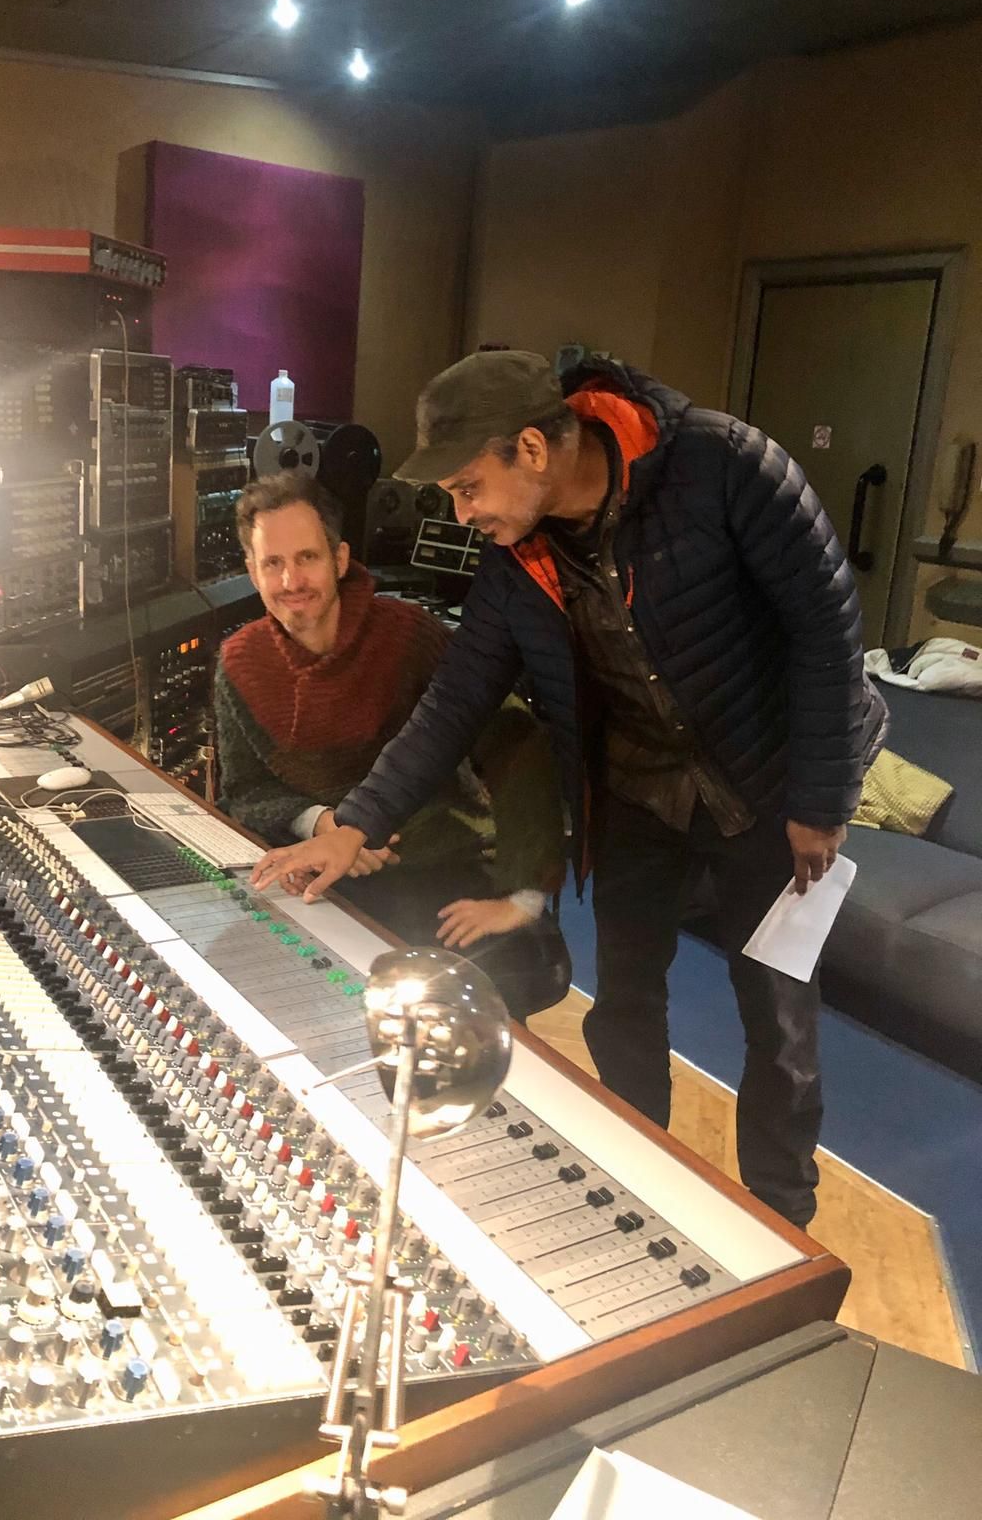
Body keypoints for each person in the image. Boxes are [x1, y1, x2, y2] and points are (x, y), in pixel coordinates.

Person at [251, 350, 887, 1228]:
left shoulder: (728, 464)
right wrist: (353, 824)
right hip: (634, 794)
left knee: (778, 1023)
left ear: (532, 450)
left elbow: (827, 629)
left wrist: (821, 802)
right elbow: (455, 702)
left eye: (469, 488)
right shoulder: (515, 562)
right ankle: (637, 1186)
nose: (462, 513)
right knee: (624, 1003)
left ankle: (782, 1219)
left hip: (769, 791)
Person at [214, 470, 571, 1021]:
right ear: (251, 571)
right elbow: (244, 791)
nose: (291, 580)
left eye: (307, 558)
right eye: (272, 563)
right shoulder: (239, 663)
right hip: (325, 880)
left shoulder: (408, 635)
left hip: (441, 867)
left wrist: (523, 896)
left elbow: (515, 741)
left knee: (474, 1017)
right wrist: (325, 825)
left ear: (340, 558)